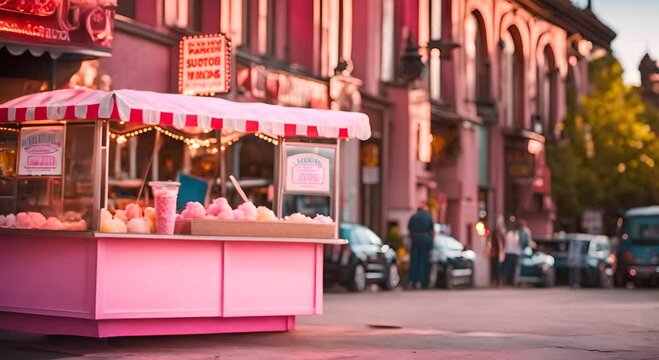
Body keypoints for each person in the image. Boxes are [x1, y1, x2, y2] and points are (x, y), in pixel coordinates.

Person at [407, 202, 435, 289]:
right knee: (424, 261)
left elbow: (409, 228)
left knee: (414, 261)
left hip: (415, 240)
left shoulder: (413, 217)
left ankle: (412, 281)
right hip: (425, 240)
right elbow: (432, 229)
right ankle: (422, 282)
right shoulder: (428, 216)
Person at [488, 216, 506, 287]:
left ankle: (496, 281)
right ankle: (495, 281)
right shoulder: (496, 234)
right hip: (495, 253)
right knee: (495, 267)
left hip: (498, 253)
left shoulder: (500, 234)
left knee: (498, 267)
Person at [503, 220, 521, 286]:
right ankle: (509, 281)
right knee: (509, 268)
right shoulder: (511, 234)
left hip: (513, 252)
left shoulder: (513, 234)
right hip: (511, 252)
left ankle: (510, 281)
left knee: (511, 268)